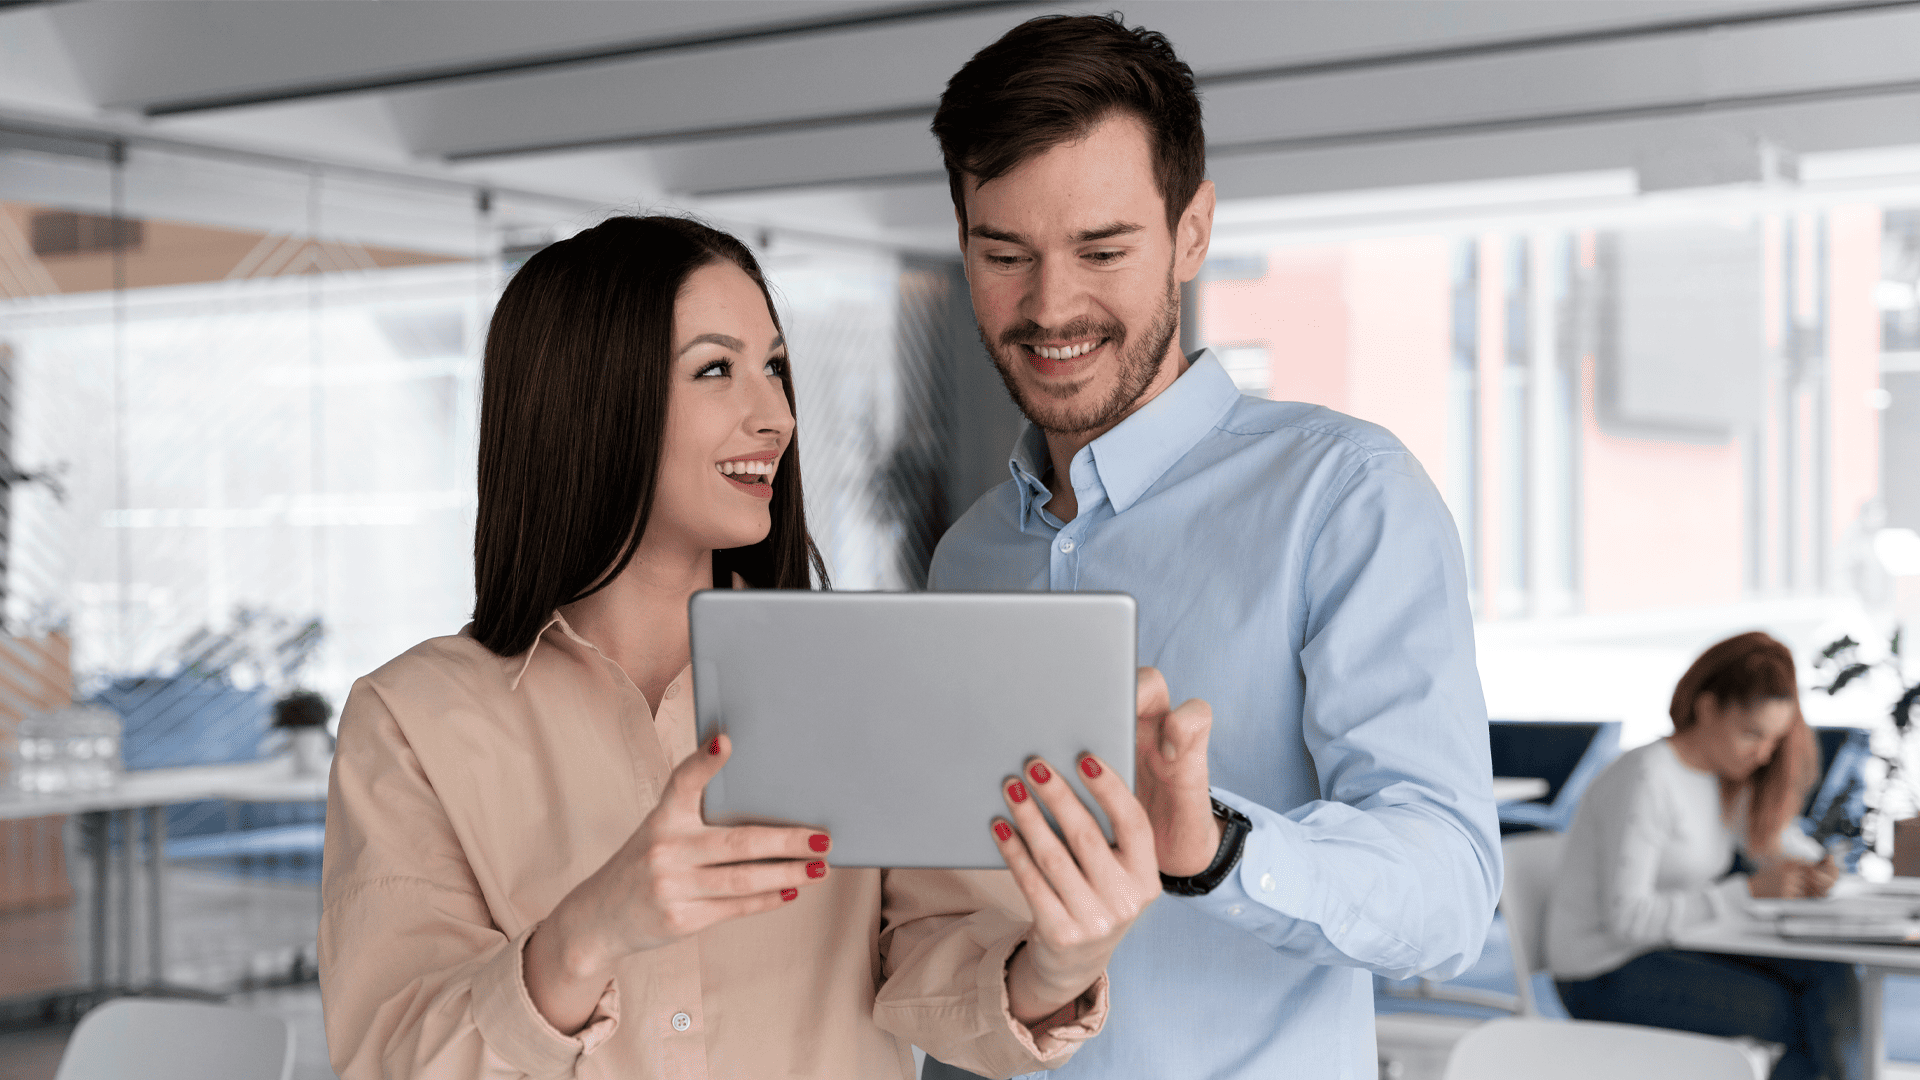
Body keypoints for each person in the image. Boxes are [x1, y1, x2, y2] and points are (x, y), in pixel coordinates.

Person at [319, 215, 1168, 1080]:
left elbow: (936, 970)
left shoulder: (858, 681)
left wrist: (1058, 964)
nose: (778, 417)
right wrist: (587, 933)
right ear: (587, 398)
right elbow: (392, 1059)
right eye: (717, 369)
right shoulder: (411, 721)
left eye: (774, 368)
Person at [922, 15, 1502, 1079]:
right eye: (1005, 255)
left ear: (1193, 234)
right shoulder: (969, 556)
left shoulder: (1343, 494)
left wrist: (1219, 850)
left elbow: (1452, 894)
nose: (1051, 307)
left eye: (1103, 249)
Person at [1547, 631, 1859, 1080]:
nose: (1763, 753)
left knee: (1831, 976)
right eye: (1752, 734)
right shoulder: (1647, 779)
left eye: (1774, 739)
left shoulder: (1719, 776)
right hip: (1603, 971)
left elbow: (1771, 843)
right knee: (1800, 1016)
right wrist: (1747, 892)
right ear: (1707, 708)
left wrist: (1813, 867)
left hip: (1672, 947)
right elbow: (1628, 919)